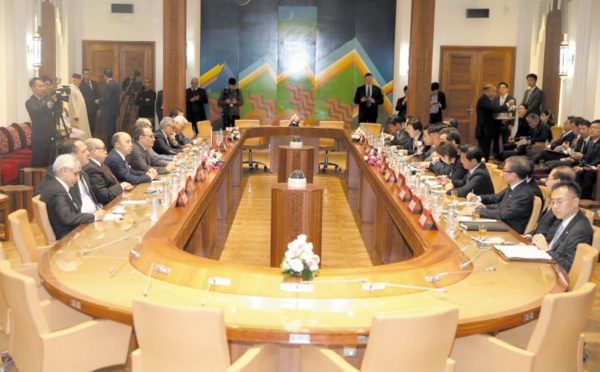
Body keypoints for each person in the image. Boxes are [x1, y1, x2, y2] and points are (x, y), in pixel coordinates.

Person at [39, 154, 105, 240]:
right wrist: (94, 216)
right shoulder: (57, 191)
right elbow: (67, 217)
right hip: (68, 239)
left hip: (73, 232)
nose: (78, 178)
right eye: (76, 174)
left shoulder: (55, 185)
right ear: (64, 170)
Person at [531, 181, 593, 272]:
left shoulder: (580, 230)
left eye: (560, 201)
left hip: (556, 277)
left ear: (575, 202)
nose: (555, 206)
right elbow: (546, 239)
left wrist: (546, 250)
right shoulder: (560, 219)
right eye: (553, 202)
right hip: (545, 267)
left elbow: (569, 267)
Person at [462, 156, 534, 234]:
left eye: (504, 170)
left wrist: (477, 211)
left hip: (510, 232)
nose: (502, 174)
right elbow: (500, 205)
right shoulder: (514, 187)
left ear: (513, 176)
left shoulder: (524, 194)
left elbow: (504, 214)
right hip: (501, 224)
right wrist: (485, 207)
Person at [525, 166, 576, 238]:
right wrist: (529, 235)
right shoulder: (554, 203)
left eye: (548, 179)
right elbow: (542, 228)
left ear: (557, 182)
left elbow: (550, 235)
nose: (546, 182)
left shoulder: (563, 208)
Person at [83, 138, 133, 205]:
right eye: (103, 148)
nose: (106, 152)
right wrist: (121, 186)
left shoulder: (101, 165)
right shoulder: (91, 169)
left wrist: (122, 186)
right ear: (94, 150)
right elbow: (103, 195)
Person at [26, 77, 57, 167]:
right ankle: (36, 181)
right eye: (40, 86)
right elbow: (35, 112)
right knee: (38, 163)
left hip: (50, 135)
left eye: (43, 86)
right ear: (33, 88)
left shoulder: (46, 99)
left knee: (51, 162)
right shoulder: (30, 102)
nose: (42, 88)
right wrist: (48, 104)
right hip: (39, 137)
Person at [573, 120, 600, 199]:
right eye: (591, 127)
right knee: (577, 172)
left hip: (596, 168)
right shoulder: (590, 142)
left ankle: (585, 199)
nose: (592, 130)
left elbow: (598, 160)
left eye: (596, 128)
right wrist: (579, 166)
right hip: (588, 167)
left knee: (588, 175)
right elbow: (585, 158)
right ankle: (576, 196)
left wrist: (583, 168)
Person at [96, 68, 120, 150]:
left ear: (105, 75)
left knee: (109, 131)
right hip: (114, 111)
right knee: (113, 129)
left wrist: (98, 101)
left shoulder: (109, 85)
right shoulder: (115, 84)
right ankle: (113, 147)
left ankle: (110, 148)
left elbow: (106, 99)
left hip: (108, 112)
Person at [474, 84, 498, 162]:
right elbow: (494, 109)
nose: (495, 94)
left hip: (486, 131)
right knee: (484, 152)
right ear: (488, 91)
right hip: (484, 131)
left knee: (486, 150)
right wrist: (507, 105)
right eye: (494, 92)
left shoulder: (486, 99)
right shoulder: (484, 99)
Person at [492, 82, 516, 154]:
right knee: (495, 140)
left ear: (507, 89)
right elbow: (494, 110)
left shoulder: (511, 99)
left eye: (504, 88)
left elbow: (513, 111)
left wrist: (512, 123)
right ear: (499, 89)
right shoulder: (495, 99)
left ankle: (506, 155)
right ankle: (496, 155)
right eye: (500, 88)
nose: (502, 89)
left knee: (506, 140)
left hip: (506, 122)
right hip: (496, 123)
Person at [68, 73, 91, 139]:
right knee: (80, 129)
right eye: (78, 80)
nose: (80, 82)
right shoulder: (71, 89)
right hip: (77, 116)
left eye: (80, 80)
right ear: (73, 80)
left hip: (81, 114)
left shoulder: (76, 88)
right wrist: (75, 115)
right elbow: (72, 103)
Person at [79, 68, 100, 136]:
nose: (87, 75)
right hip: (85, 109)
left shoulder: (94, 83)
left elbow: (97, 96)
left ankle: (91, 138)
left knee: (92, 126)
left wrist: (98, 109)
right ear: (83, 75)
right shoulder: (81, 84)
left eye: (88, 74)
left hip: (93, 109)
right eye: (85, 74)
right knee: (85, 127)